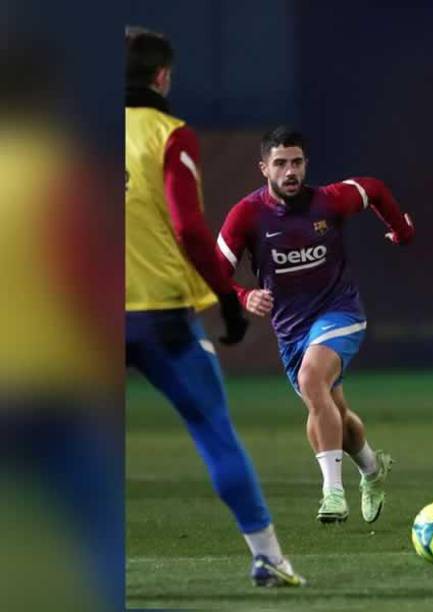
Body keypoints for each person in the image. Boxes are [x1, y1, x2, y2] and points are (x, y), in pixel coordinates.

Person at [124, 27, 303, 587]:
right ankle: (269, 557)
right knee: (213, 431)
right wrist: (227, 297)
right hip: (160, 317)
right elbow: (188, 227)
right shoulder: (168, 135)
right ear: (162, 77)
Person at [216, 126, 412, 524]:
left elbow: (372, 188)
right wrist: (243, 295)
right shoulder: (247, 215)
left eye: (297, 163)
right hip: (292, 332)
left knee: (311, 380)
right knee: (334, 415)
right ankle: (372, 470)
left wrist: (401, 229)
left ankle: (332, 493)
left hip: (342, 312)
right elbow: (213, 271)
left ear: (306, 164)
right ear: (263, 168)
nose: (290, 171)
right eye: (281, 163)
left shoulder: (329, 201)